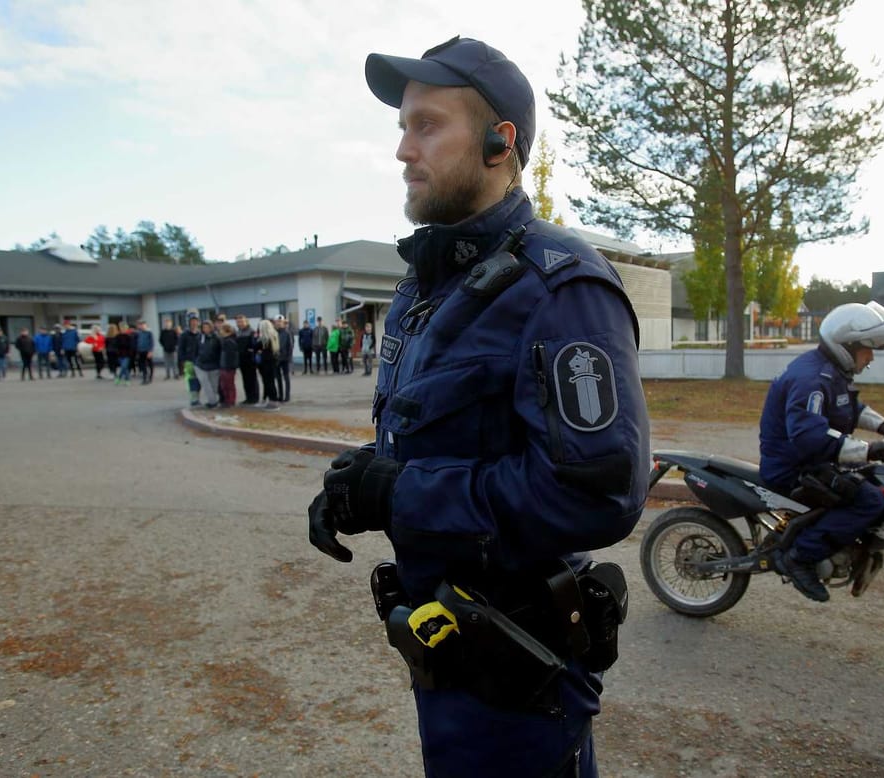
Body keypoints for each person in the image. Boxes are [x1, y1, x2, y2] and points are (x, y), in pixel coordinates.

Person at [307, 36, 649, 777]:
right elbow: (446, 440)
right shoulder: (424, 290)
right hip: (448, 655)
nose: (403, 149)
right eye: (402, 127)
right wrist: (359, 484)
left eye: (427, 125)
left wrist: (402, 495)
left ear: (501, 143)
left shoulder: (559, 286)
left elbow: (598, 494)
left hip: (519, 676)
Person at [758, 301, 884, 603]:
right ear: (847, 345)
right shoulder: (811, 379)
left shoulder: (829, 372)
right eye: (867, 350)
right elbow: (809, 437)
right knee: (868, 500)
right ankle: (800, 557)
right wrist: (874, 450)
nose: (870, 359)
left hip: (812, 461)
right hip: (791, 468)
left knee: (879, 483)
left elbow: (851, 408)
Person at [195, 319, 222, 408]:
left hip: (214, 365)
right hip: (201, 365)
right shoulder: (199, 337)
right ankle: (212, 402)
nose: (206, 329)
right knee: (205, 384)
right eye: (204, 327)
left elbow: (220, 351)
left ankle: (213, 401)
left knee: (214, 385)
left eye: (207, 327)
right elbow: (196, 349)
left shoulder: (217, 337)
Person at [177, 313, 203, 406]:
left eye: (196, 321)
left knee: (200, 380)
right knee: (192, 380)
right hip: (189, 361)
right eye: (192, 321)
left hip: (200, 361)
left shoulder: (201, 334)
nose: (194, 323)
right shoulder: (184, 335)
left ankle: (197, 397)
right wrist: (182, 360)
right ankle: (194, 399)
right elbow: (180, 349)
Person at [235, 315, 260, 405]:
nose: (240, 323)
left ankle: (255, 398)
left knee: (252, 379)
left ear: (246, 322)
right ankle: (248, 398)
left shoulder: (252, 332)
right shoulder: (238, 333)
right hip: (241, 360)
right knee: (245, 380)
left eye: (242, 321)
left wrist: (251, 352)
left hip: (250, 359)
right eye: (238, 322)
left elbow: (255, 345)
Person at [255, 319, 280, 409]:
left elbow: (255, 347)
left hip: (266, 363)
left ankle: (273, 401)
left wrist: (258, 350)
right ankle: (270, 399)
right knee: (270, 382)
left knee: (268, 382)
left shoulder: (265, 339)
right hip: (272, 362)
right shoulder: (274, 336)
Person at [218, 322, 239, 408]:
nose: (220, 332)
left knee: (229, 385)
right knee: (225, 385)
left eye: (221, 330)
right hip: (224, 366)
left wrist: (229, 366)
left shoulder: (229, 341)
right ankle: (228, 400)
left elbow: (231, 356)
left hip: (228, 367)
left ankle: (231, 401)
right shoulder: (225, 340)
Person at [274, 315, 293, 402]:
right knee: (278, 378)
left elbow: (290, 346)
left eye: (280, 322)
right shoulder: (274, 333)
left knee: (286, 378)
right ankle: (280, 395)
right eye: (277, 322)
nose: (278, 323)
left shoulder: (287, 333)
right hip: (276, 359)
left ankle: (287, 396)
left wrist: (289, 358)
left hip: (285, 359)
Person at [135, 320, 154, 384]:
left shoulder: (149, 333)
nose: (142, 326)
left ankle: (150, 377)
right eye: (141, 325)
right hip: (141, 351)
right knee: (143, 365)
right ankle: (145, 378)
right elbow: (138, 342)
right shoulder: (139, 333)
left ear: (146, 325)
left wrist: (150, 351)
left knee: (150, 364)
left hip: (147, 351)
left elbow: (151, 342)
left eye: (143, 325)